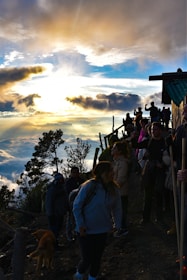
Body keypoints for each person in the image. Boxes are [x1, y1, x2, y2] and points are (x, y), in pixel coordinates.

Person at [73, 161, 122, 280]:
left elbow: (117, 209)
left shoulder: (114, 189)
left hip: (102, 229)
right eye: (111, 170)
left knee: (97, 258)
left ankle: (92, 277)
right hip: (85, 230)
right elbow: (77, 206)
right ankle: (79, 274)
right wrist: (80, 225)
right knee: (87, 258)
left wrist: (117, 225)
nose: (113, 173)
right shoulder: (89, 186)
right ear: (103, 173)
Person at [139, 122, 167, 224]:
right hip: (149, 171)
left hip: (160, 172)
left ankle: (159, 218)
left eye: (155, 129)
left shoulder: (165, 143)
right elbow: (136, 145)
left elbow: (168, 157)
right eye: (151, 130)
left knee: (159, 194)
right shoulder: (149, 142)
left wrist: (162, 164)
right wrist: (133, 137)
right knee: (148, 195)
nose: (153, 131)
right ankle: (145, 218)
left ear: (160, 130)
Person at [111, 140, 130, 236]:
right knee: (117, 211)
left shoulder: (122, 163)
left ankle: (122, 228)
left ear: (120, 151)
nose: (112, 149)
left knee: (121, 211)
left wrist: (113, 186)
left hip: (121, 192)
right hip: (116, 191)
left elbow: (121, 179)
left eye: (114, 148)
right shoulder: (116, 162)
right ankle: (118, 227)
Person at [45, 172, 68, 243]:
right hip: (54, 214)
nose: (61, 181)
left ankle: (54, 244)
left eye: (62, 179)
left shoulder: (61, 188)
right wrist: (50, 214)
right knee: (54, 230)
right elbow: (49, 202)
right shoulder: (52, 189)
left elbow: (64, 200)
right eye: (60, 179)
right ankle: (52, 245)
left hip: (59, 213)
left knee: (57, 229)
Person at [65, 166, 85, 241]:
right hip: (71, 203)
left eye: (77, 172)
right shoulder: (68, 182)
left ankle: (78, 232)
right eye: (74, 172)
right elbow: (67, 194)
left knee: (79, 218)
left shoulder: (82, 181)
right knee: (70, 220)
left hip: (82, 202)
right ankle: (69, 236)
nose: (76, 174)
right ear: (71, 173)